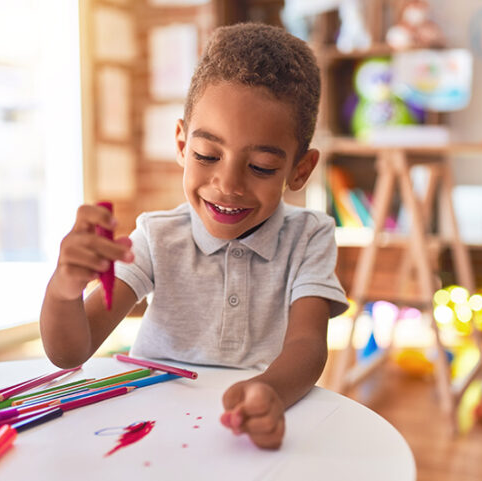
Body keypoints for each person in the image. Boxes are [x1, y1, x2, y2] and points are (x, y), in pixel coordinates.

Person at [39, 22, 348, 450]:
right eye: (207, 155)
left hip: (239, 433)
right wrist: (64, 288)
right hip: (142, 435)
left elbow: (308, 344)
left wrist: (271, 392)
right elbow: (70, 352)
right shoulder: (156, 236)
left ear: (300, 169)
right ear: (183, 144)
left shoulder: (310, 236)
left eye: (260, 165)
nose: (228, 184)